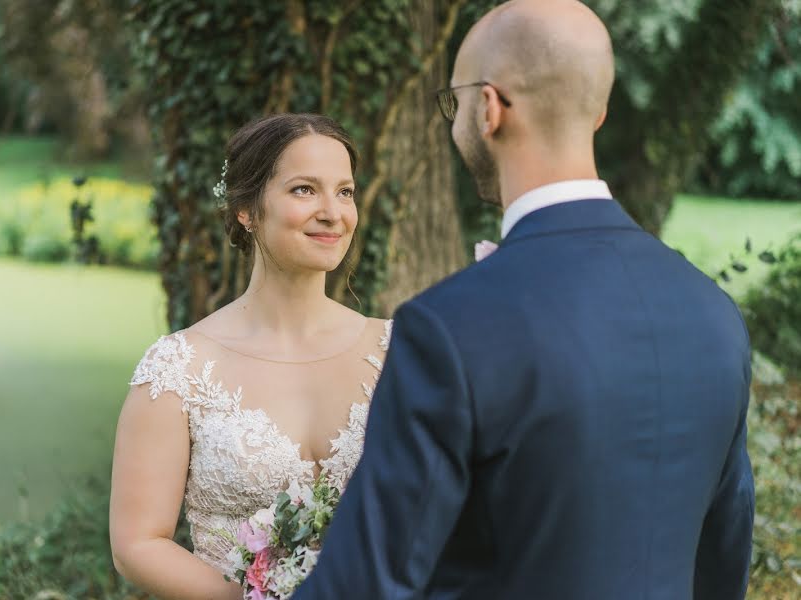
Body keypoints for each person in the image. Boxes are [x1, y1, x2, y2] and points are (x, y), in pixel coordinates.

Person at [292, 1, 754, 598]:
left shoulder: (449, 329)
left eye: (453, 103)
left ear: (489, 108)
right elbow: (724, 562)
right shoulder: (714, 313)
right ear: (599, 112)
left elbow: (365, 587)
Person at [108, 113, 391, 600]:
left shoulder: (396, 351)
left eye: (344, 191)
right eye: (305, 190)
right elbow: (137, 543)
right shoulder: (180, 369)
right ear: (246, 209)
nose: (333, 212)